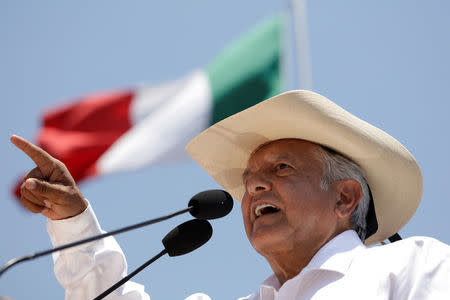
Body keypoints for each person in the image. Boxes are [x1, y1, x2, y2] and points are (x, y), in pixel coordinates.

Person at [11, 90, 450, 299]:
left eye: (281, 168)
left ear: (345, 198)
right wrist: (72, 219)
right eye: (249, 178)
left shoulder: (415, 266)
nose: (254, 185)